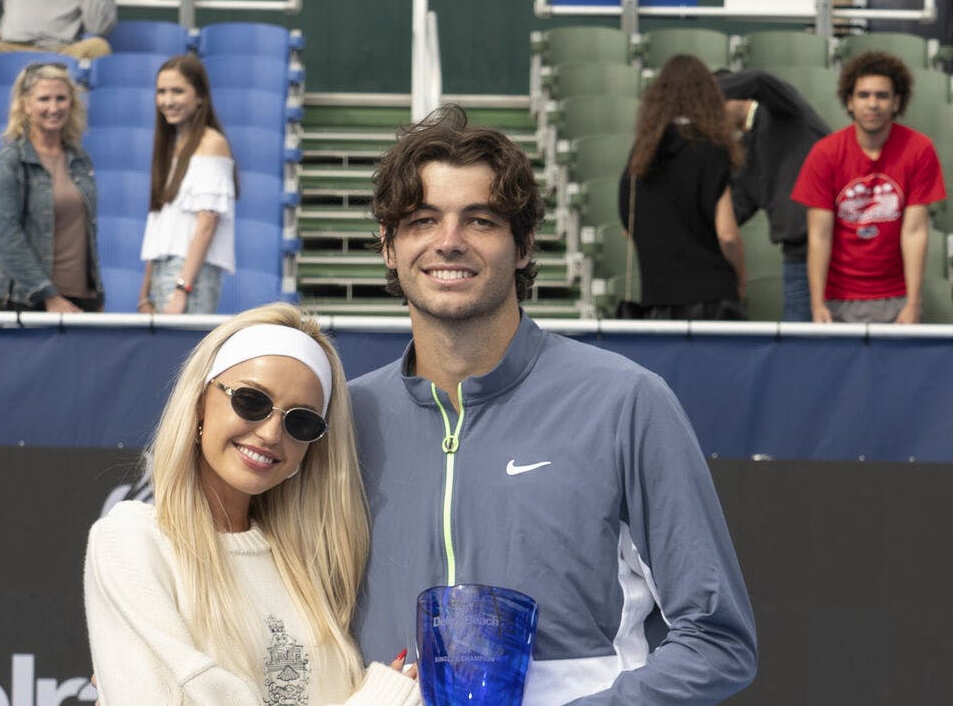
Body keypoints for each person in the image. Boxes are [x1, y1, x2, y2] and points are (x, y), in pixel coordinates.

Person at [351, 105, 757, 704]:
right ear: (389, 246)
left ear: (522, 245)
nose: (449, 241)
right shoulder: (346, 417)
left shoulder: (626, 402)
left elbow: (719, 641)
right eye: (421, 220)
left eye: (481, 220)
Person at [83, 303, 421, 705]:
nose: (271, 432)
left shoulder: (306, 570)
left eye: (301, 422)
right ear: (199, 404)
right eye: (251, 400)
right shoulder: (131, 540)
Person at [791, 51, 946, 324]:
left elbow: (915, 231)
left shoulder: (919, 149)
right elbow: (819, 235)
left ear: (897, 102)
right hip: (837, 299)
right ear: (849, 102)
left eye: (882, 96)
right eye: (863, 95)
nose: (872, 104)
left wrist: (913, 303)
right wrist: (817, 304)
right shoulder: (825, 153)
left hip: (897, 298)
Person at [618, 54, 746, 320]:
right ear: (708, 97)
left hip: (656, 301)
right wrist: (740, 280)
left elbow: (628, 228)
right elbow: (728, 236)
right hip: (713, 303)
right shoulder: (712, 150)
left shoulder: (640, 155)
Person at [0, 63, 103, 312]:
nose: (54, 107)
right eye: (44, 99)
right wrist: (48, 296)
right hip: (27, 300)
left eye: (61, 98)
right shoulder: (11, 160)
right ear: (26, 105)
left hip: (80, 300)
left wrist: (95, 295)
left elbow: (87, 234)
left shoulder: (80, 159)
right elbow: (9, 238)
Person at [718, 69, 831, 321]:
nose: (712, 117)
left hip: (837, 253)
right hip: (796, 259)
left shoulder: (783, 112)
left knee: (844, 346)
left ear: (737, 96)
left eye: (716, 106)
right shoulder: (744, 150)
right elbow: (738, 208)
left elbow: (760, 80)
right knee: (799, 350)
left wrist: (704, 93)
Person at [138, 54, 237, 314]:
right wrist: (144, 292)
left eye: (177, 91)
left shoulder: (211, 143)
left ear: (200, 96)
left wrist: (182, 288)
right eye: (161, 92)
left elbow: (207, 224)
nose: (167, 100)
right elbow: (160, 225)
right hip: (163, 271)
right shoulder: (171, 146)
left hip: (190, 276)